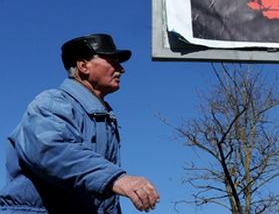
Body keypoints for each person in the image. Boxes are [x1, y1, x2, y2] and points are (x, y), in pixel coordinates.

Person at [0, 34, 160, 213]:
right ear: (83, 66)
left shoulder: (103, 117)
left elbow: (99, 197)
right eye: (112, 61)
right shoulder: (54, 102)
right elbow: (50, 148)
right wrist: (116, 179)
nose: (121, 69)